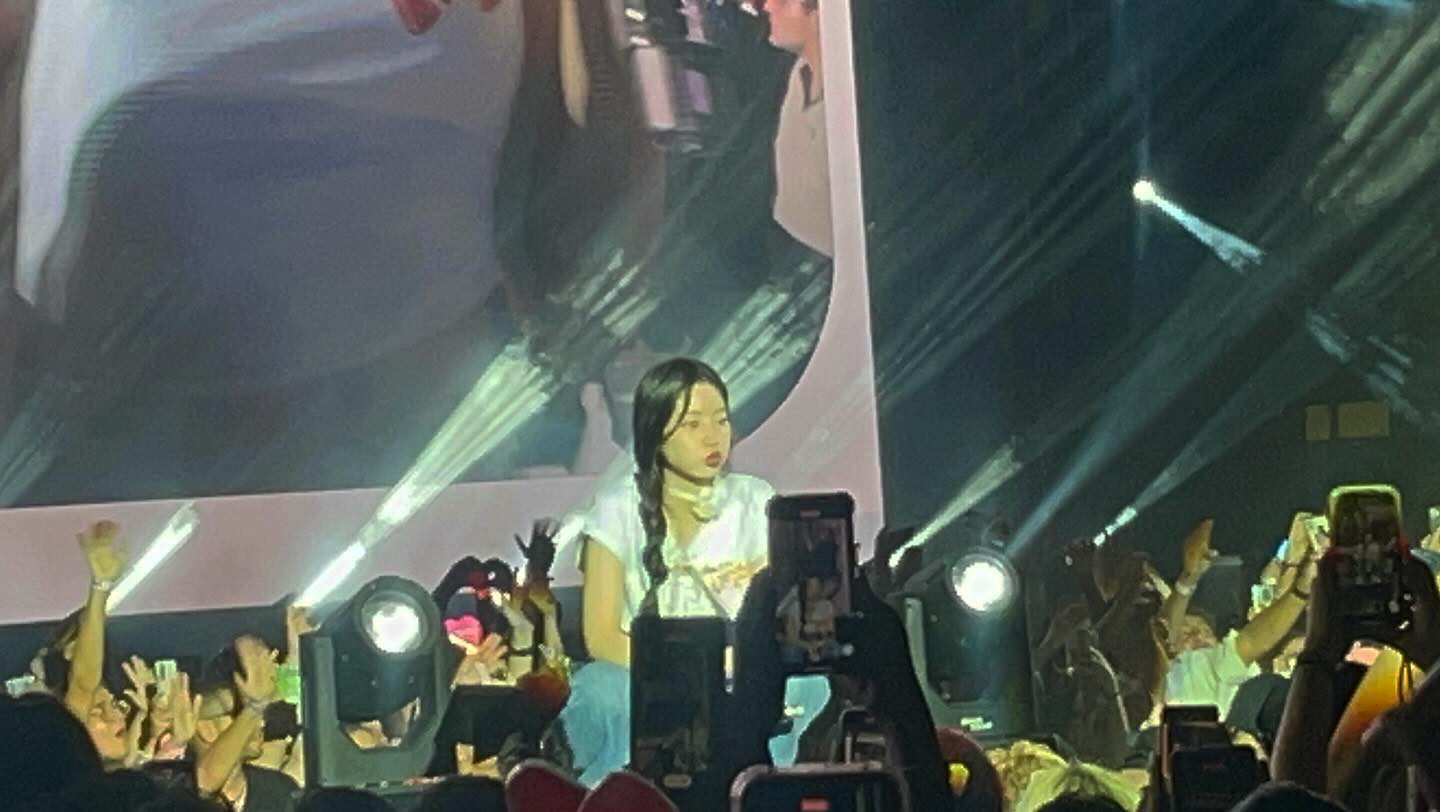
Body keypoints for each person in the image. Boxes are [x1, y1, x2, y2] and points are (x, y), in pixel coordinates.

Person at [553, 357, 828, 785]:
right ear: (655, 433)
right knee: (602, 693)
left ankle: (758, 787)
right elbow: (602, 635)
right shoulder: (615, 508)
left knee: (807, 688)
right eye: (693, 424)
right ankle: (614, 793)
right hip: (643, 672)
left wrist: (733, 668)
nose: (713, 437)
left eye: (721, 420)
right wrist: (687, 676)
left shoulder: (755, 502)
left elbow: (784, 616)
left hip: (742, 672)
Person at [763, 0, 833, 258]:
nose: (768, 6)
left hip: (828, 266)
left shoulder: (848, 103)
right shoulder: (799, 74)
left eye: (783, 1)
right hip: (786, 253)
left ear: (819, 13)